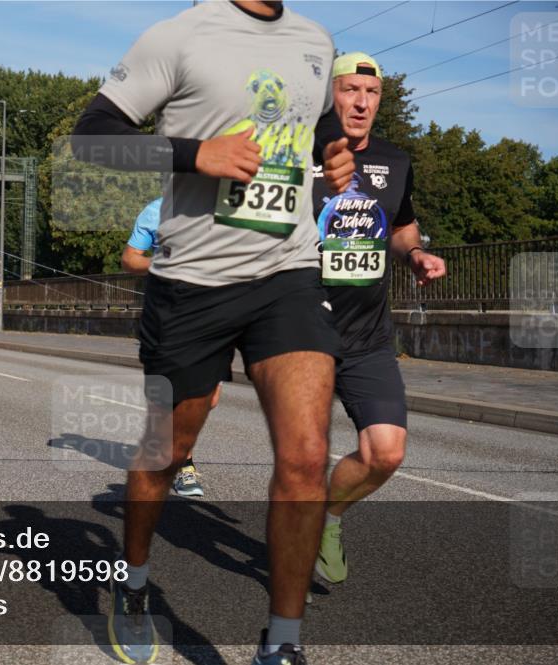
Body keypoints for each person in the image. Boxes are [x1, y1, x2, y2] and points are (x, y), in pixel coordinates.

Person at [72, 2, 355, 662]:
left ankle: (281, 644)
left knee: (307, 452)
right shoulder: (179, 35)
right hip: (192, 280)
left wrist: (332, 159)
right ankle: (134, 582)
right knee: (167, 449)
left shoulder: (316, 38)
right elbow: (93, 138)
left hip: (288, 270)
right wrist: (198, 153)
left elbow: (317, 135)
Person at [311, 52, 446, 587]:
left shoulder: (396, 161)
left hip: (367, 335)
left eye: (372, 94)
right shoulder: (300, 154)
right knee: (300, 454)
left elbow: (402, 228)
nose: (362, 102)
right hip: (301, 331)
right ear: (332, 95)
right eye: (350, 91)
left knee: (385, 453)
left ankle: (326, 519)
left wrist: (415, 255)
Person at [122, 197, 219, 498]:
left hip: (213, 312)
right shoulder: (155, 210)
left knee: (210, 398)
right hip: (168, 313)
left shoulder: (222, 206)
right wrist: (161, 263)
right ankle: (183, 465)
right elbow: (129, 259)